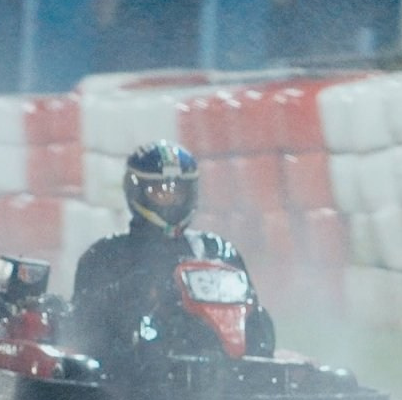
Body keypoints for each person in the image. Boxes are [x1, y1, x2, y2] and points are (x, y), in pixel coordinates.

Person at [69, 142, 275, 362]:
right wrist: (138, 291)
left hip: (215, 357)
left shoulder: (216, 250)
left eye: (178, 192)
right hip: (137, 363)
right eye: (160, 192)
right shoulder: (106, 255)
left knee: (260, 319)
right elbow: (84, 326)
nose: (170, 200)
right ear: (137, 191)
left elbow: (246, 309)